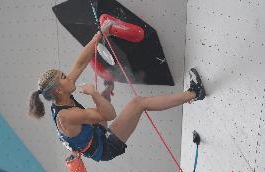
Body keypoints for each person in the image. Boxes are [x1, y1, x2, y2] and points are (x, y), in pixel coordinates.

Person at [28, 21, 206, 162]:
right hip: (106, 146)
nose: (69, 76)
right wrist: (94, 94)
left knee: (122, 101)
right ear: (59, 89)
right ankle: (195, 92)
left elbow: (80, 63)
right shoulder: (67, 116)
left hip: (95, 134)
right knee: (138, 103)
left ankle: (192, 94)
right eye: (65, 77)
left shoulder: (61, 96)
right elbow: (109, 114)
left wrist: (99, 35)